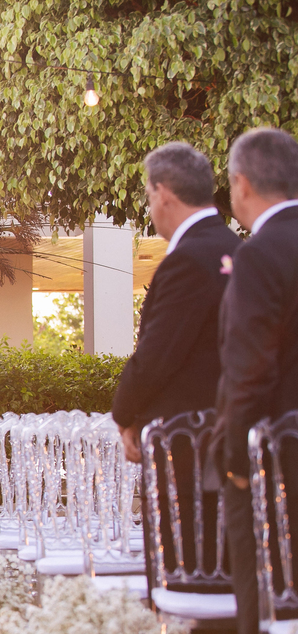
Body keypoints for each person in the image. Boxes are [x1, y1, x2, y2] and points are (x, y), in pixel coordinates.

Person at [111, 142, 240, 583]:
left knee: (184, 569)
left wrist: (125, 414)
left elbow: (156, 355)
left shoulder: (187, 260)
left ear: (164, 193)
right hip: (234, 436)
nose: (151, 207)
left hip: (186, 446)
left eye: (148, 197)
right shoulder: (239, 250)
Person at [214, 127, 298, 634]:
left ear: (241, 184)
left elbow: (249, 368)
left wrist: (233, 459)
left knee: (262, 586)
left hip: (277, 457)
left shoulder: (258, 253)